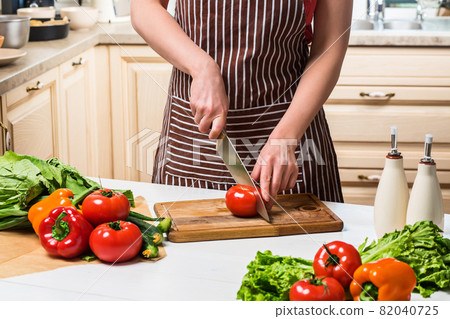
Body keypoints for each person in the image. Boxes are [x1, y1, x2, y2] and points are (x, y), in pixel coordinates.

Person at [131, 0, 353, 208]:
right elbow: (144, 7)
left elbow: (330, 44)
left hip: (290, 131)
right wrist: (202, 68)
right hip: (192, 134)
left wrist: (286, 137)